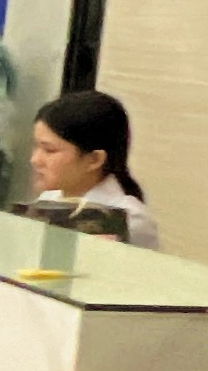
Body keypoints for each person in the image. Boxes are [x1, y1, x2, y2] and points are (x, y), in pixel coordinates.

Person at [24, 87, 159, 249]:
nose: (35, 160)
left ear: (94, 159)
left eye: (49, 150)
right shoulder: (47, 200)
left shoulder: (129, 219)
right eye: (36, 146)